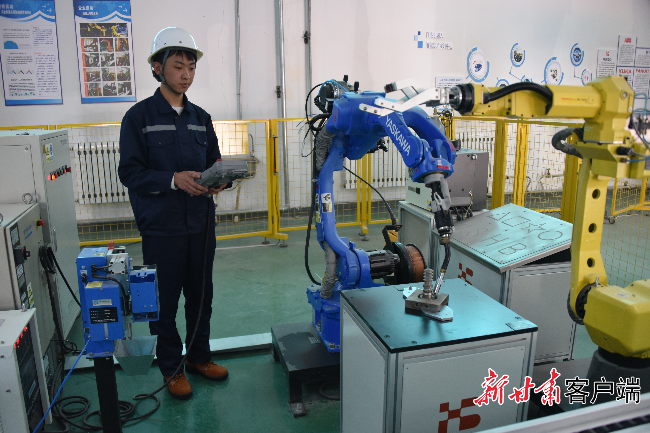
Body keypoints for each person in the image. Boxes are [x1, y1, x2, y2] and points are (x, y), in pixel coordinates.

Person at [118, 27, 228, 400]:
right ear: (157, 68)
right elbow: (130, 172)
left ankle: (198, 357)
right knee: (164, 302)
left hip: (201, 224)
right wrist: (172, 180)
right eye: (178, 66)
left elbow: (214, 161)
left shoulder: (201, 117)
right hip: (161, 227)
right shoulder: (138, 117)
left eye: (191, 68)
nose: (186, 74)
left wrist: (219, 180)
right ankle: (171, 367)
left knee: (201, 296)